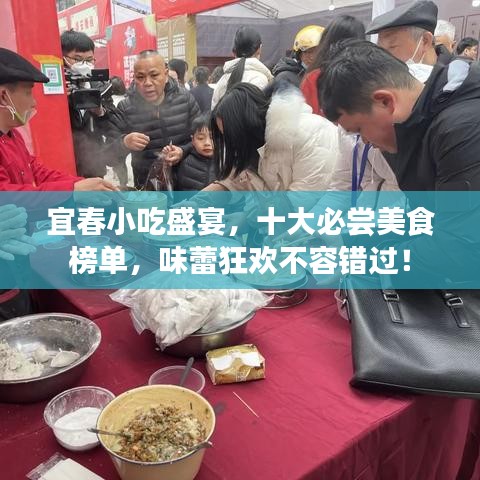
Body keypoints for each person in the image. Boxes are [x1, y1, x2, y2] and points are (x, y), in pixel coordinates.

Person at [0, 48, 116, 192]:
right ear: (4, 96)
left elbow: (37, 172)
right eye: (28, 93)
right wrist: (73, 189)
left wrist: (81, 184)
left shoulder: (13, 135)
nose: (34, 102)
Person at [205, 82, 338, 201]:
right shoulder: (255, 146)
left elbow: (300, 201)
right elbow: (238, 181)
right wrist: (199, 201)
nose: (231, 143)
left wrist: (247, 218)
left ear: (246, 126)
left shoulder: (311, 134)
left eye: (231, 136)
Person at [106, 50, 200, 189]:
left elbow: (205, 139)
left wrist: (183, 150)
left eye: (154, 75)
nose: (147, 83)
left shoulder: (185, 100)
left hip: (187, 183)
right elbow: (108, 157)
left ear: (166, 75)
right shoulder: (125, 108)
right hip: (148, 189)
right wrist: (125, 142)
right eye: (140, 77)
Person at [61, 30, 116, 179]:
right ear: (63, 58)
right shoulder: (56, 88)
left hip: (95, 165)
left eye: (89, 59)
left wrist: (100, 112)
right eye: (77, 59)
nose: (84, 65)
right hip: (67, 165)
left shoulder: (102, 86)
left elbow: (113, 126)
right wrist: (59, 101)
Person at [366, 0, 452, 82]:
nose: (383, 57)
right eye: (380, 50)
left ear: (425, 41)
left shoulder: (454, 81)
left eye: (392, 46)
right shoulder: (386, 79)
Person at [301, 15, 365, 115]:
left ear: (326, 40)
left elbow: (308, 118)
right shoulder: (370, 76)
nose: (310, 56)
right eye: (307, 52)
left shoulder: (315, 77)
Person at [211, 27, 273, 109]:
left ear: (234, 51)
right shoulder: (261, 80)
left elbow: (214, 112)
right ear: (259, 49)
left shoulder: (222, 80)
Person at [174, 114, 215, 190]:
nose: (207, 143)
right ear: (192, 140)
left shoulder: (226, 163)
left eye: (213, 137)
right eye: (200, 138)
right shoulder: (184, 162)